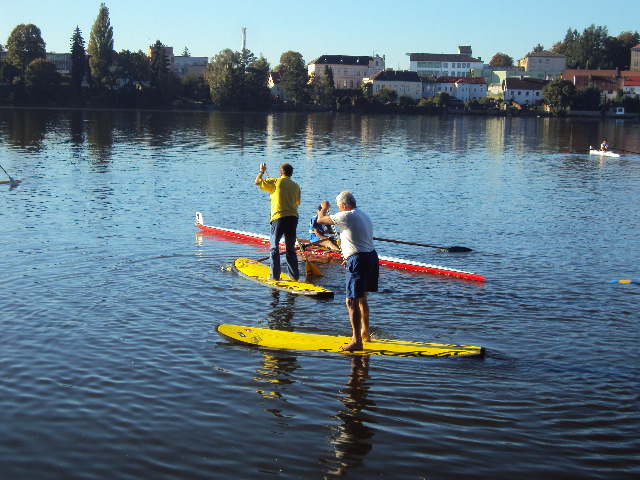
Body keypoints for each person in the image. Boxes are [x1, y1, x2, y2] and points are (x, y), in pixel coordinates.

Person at [316, 191, 379, 351]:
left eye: (339, 207)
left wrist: (323, 208)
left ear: (343, 205)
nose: (339, 209)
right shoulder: (363, 215)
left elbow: (320, 220)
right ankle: (365, 333)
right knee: (362, 299)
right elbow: (355, 238)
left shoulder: (346, 215)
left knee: (351, 301)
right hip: (370, 256)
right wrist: (347, 256)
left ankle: (357, 342)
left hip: (360, 260)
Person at [254, 162, 300, 281]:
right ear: (291, 173)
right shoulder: (296, 186)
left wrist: (262, 171)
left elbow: (257, 182)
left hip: (278, 218)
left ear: (280, 173)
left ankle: (274, 276)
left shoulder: (275, 181)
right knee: (290, 249)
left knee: (274, 248)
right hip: (293, 218)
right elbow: (297, 203)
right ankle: (294, 277)